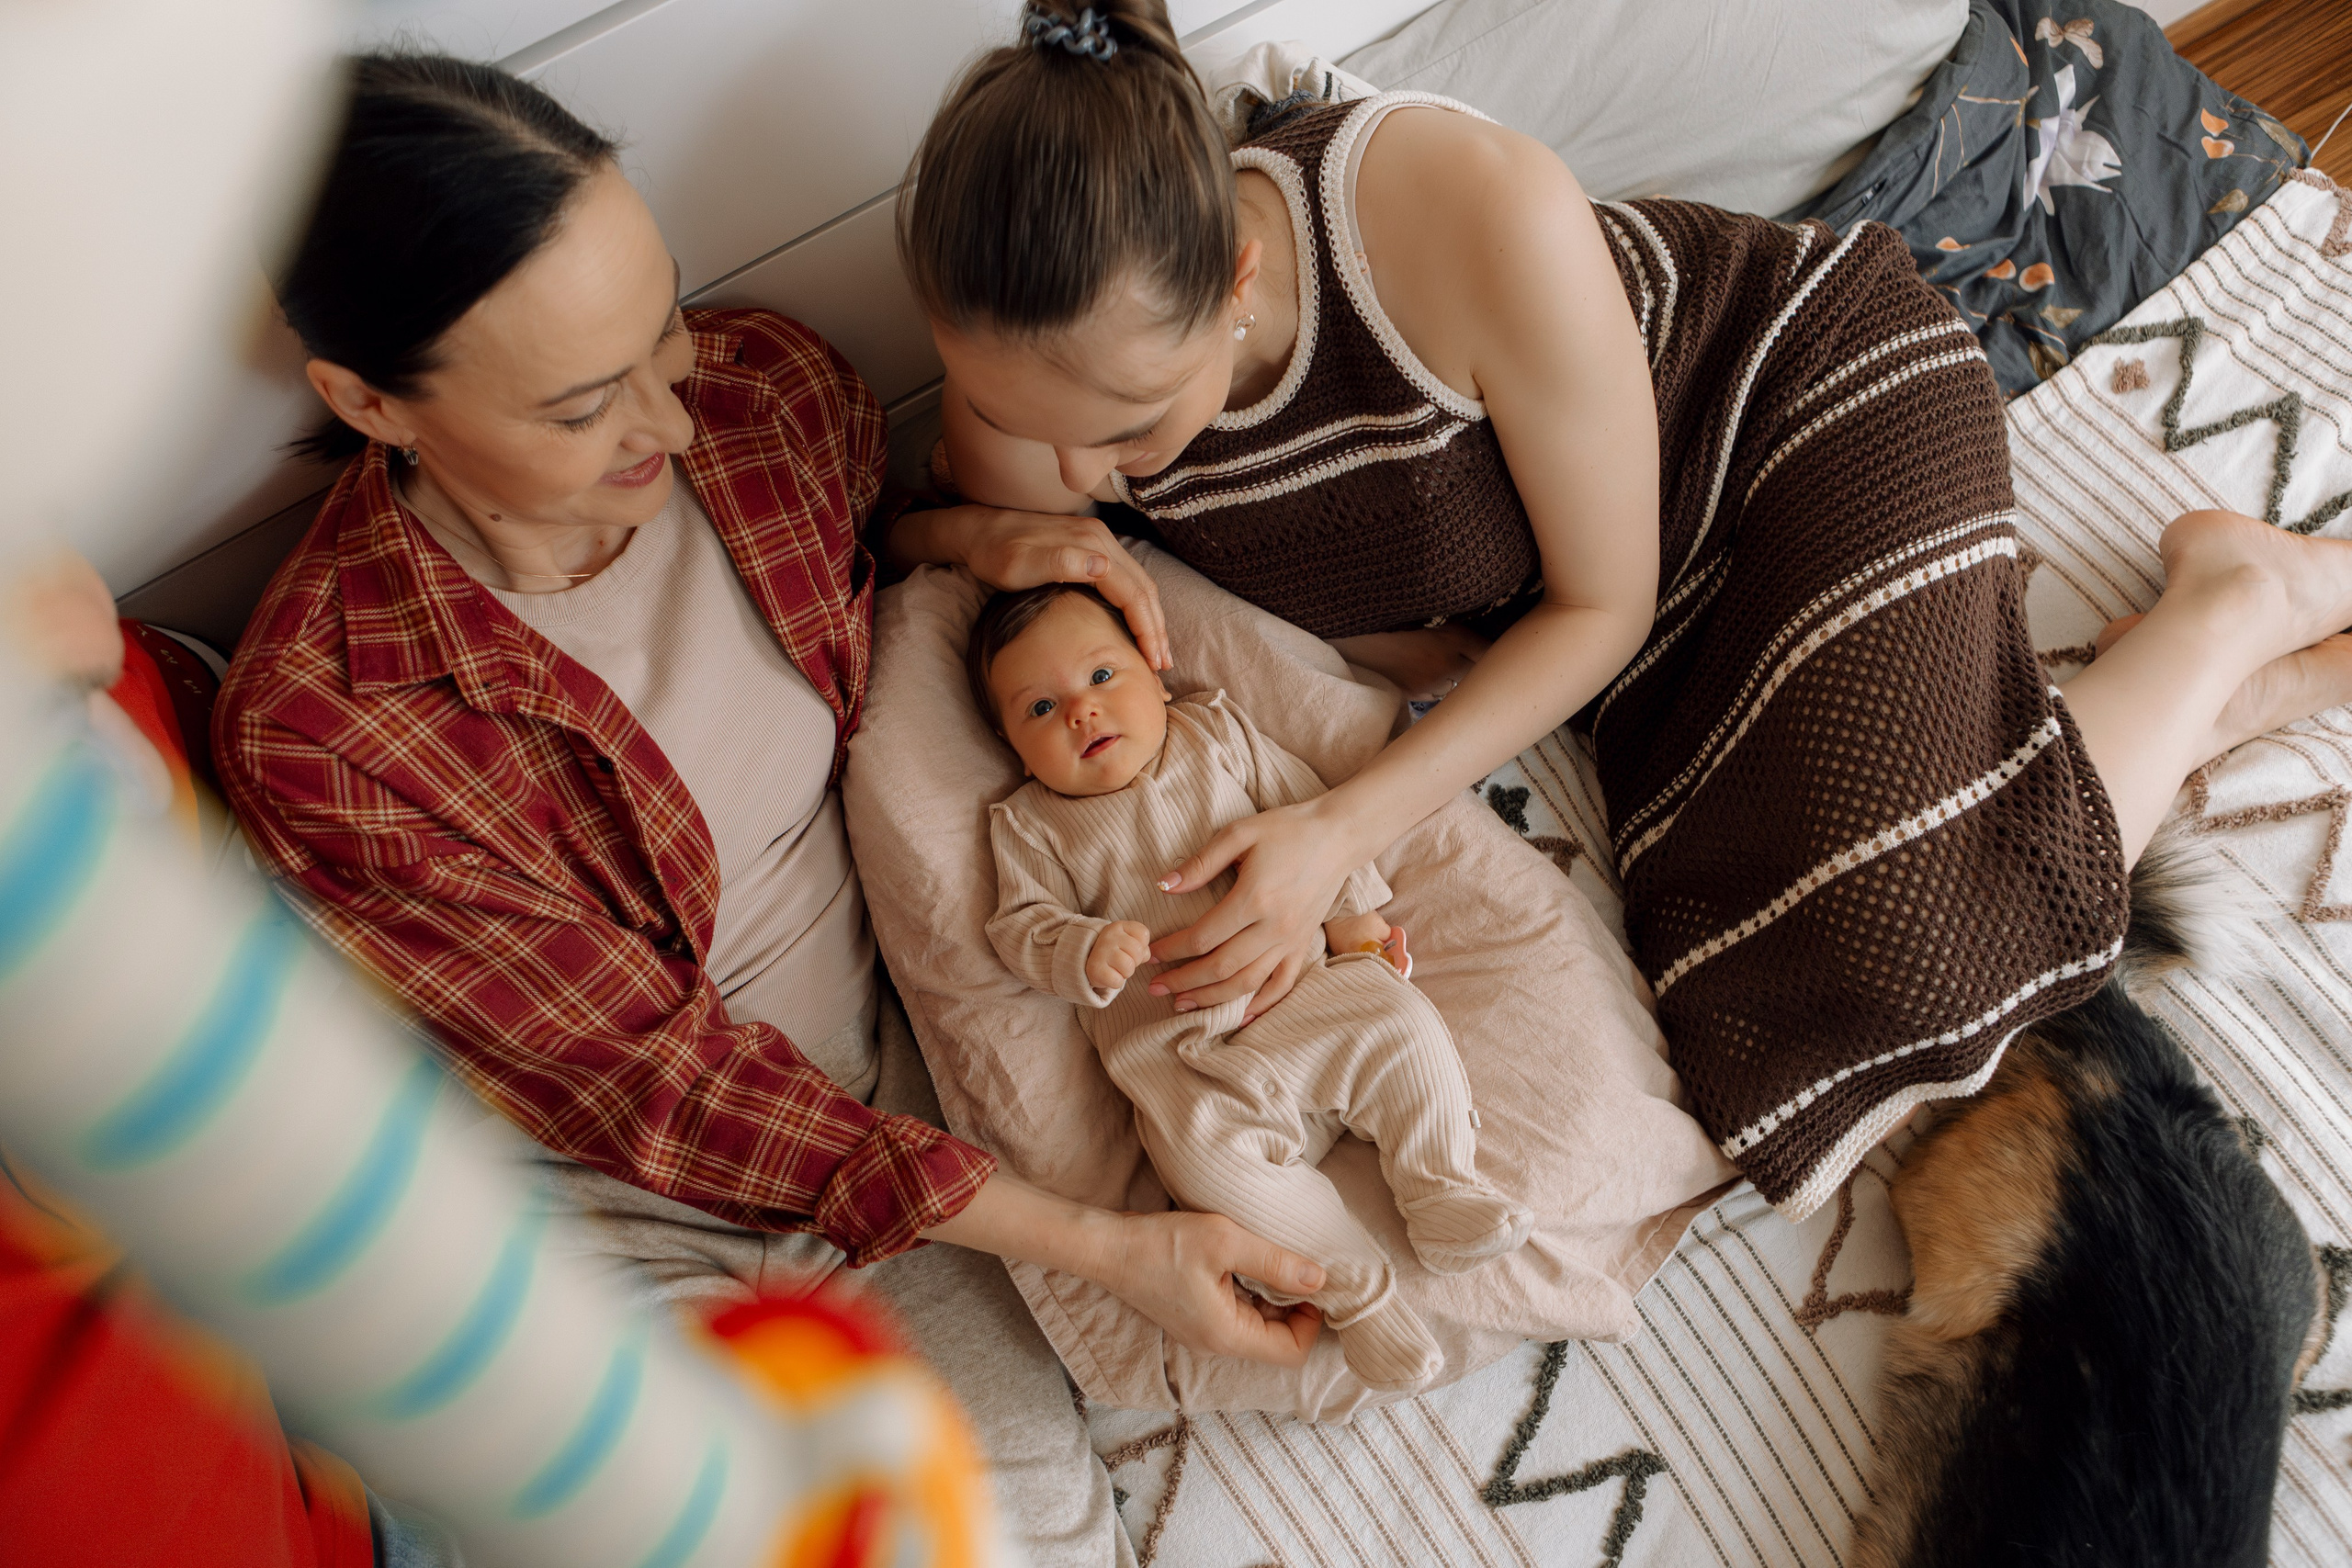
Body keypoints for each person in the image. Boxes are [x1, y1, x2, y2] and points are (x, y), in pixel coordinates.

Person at [889, 0, 2352, 1215]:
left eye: (1129, 428)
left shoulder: (1452, 210)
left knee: (1916, 940)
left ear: (1242, 280)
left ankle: (2226, 610)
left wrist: (1339, 826)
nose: (1078, 470)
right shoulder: (1043, 347)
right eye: (1029, 417)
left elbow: (1603, 604)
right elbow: (963, 519)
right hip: (1599, 625)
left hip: (1772, 417)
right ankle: (2230, 694)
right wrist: (1017, 534)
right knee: (1750, 1002)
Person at [212, 54, 1329, 1567]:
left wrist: (980, 531)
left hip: (908, 1071)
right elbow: (645, 1077)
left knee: (1039, 1522)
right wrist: (1102, 1248)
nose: (667, 423)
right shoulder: (328, 721)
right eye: (584, 403)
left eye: (660, 321)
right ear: (367, 401)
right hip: (636, 1178)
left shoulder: (759, 393)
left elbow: (869, 546)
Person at [972, 582, 1532, 1392]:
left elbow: (1308, 816)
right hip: (1190, 1065)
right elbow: (1019, 928)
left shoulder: (1215, 734)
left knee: (1401, 1022)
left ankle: (1441, 1186)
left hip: (1306, 1001)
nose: (1082, 715)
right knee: (1209, 1171)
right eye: (1041, 709)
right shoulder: (1030, 825)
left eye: (1101, 678)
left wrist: (1355, 930)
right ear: (1013, 749)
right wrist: (1081, 950)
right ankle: (1359, 1296)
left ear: (1156, 674)